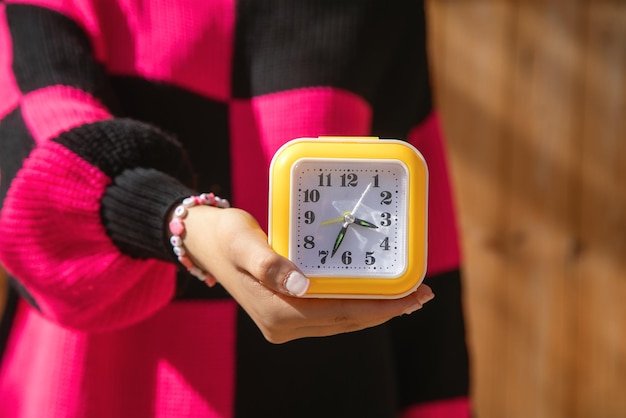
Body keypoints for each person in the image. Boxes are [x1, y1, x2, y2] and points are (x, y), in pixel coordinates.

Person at [0, 0, 471, 417]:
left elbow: (414, 210)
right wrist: (178, 222)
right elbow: (38, 156)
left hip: (332, 385)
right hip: (107, 384)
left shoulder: (384, 11)